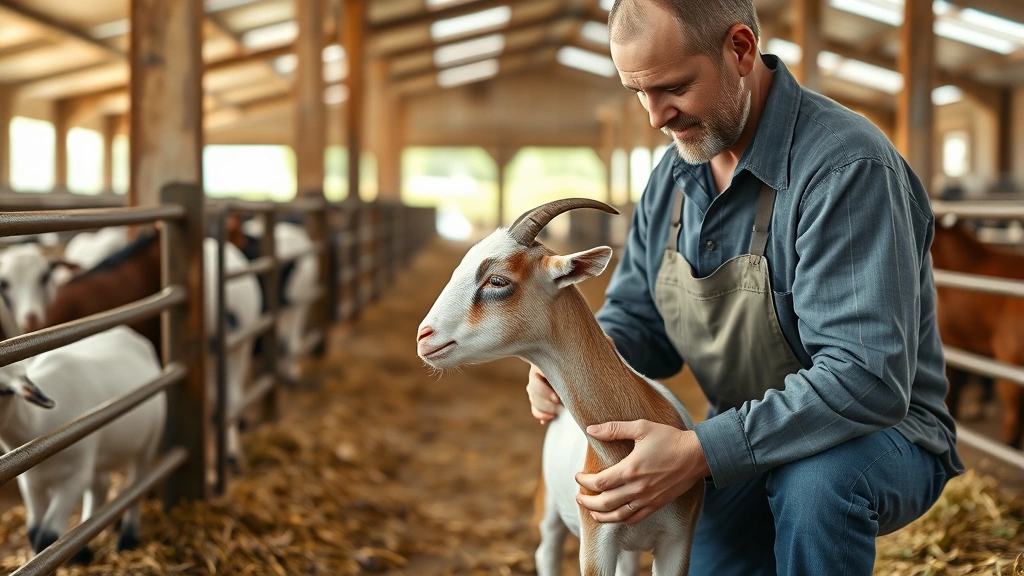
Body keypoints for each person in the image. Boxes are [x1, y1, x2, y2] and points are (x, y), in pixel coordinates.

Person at [524, 0, 964, 573]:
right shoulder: (674, 175)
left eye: (674, 86)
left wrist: (702, 451)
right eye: (639, 91)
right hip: (742, 433)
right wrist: (573, 360)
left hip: (878, 434)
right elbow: (637, 319)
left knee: (815, 485)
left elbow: (866, 379)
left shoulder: (845, 170)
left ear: (740, 49)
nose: (655, 116)